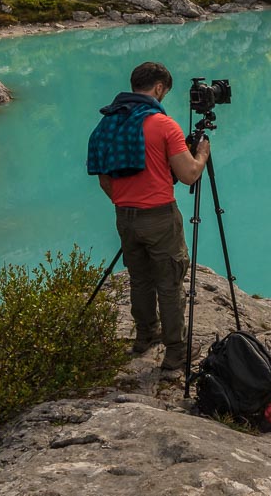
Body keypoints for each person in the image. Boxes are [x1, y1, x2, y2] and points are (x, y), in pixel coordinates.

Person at [87, 62, 210, 371]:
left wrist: (127, 202)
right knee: (169, 282)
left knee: (140, 280)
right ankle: (175, 351)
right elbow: (188, 175)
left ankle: (144, 337)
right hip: (159, 216)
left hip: (125, 217)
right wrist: (202, 154)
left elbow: (105, 180)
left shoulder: (107, 124)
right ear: (158, 88)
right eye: (164, 92)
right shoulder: (163, 124)